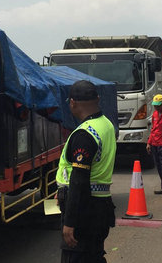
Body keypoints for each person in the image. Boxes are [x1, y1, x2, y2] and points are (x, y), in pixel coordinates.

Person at [55, 80, 116, 262]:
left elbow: (78, 181)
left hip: (84, 211)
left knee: (76, 258)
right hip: (101, 207)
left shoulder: (84, 134)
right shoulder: (106, 125)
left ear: (72, 103)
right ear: (97, 99)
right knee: (94, 256)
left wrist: (70, 223)